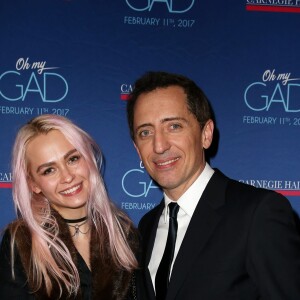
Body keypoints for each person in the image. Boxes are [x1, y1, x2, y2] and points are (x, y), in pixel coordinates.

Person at [126, 71, 300, 300]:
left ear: (205, 134)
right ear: (138, 149)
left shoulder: (258, 213)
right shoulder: (147, 226)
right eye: (146, 132)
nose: (159, 146)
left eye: (174, 126)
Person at [0, 114, 138, 299]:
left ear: (88, 159)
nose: (67, 177)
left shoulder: (124, 234)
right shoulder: (21, 242)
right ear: (34, 184)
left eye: (72, 159)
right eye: (49, 170)